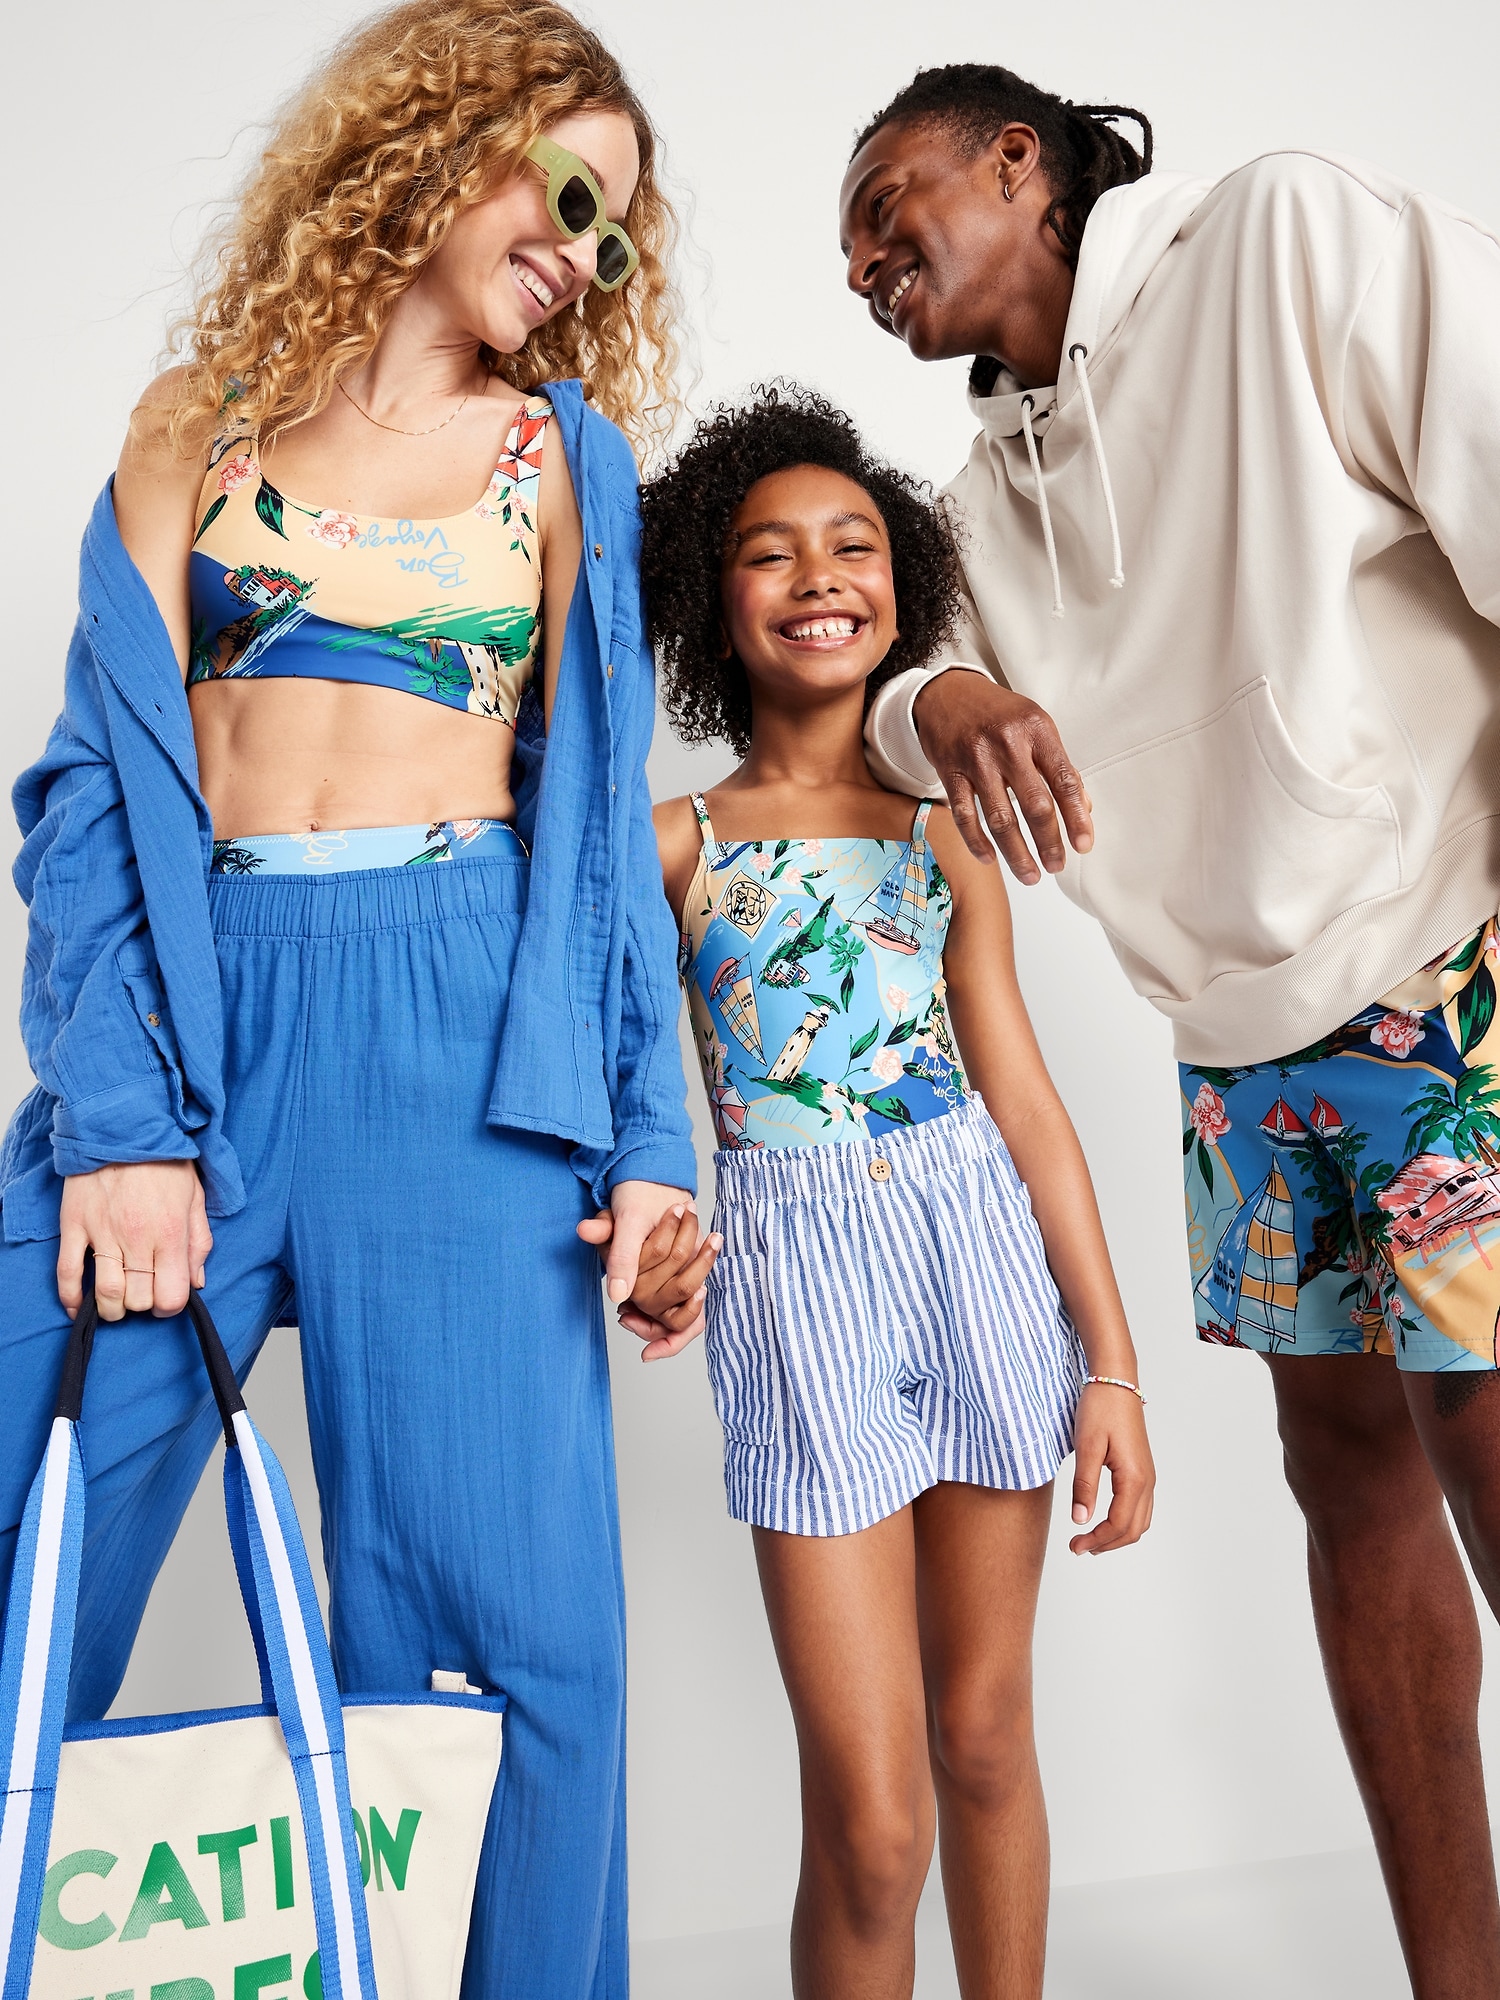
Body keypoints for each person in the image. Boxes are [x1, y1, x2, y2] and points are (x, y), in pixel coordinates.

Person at [0, 3, 703, 1993]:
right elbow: (89, 795)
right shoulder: (194, 424)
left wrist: (651, 1142)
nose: (585, 253)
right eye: (568, 191)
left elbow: (596, 821)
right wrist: (122, 1126)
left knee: (506, 1653)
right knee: (27, 1544)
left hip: (465, 1042)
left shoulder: (561, 460)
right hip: (202, 1032)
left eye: (618, 235)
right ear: (441, 140)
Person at [843, 61, 1500, 1994]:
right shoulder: (981, 504)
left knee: (1488, 1449)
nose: (867, 264)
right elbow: (885, 683)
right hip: (1242, 1049)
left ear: (1019, 159)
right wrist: (943, 702)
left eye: (888, 206)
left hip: (1446, 951)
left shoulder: (1278, 236)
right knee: (1348, 1484)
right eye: (851, 257)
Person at [623, 386, 1154, 2000]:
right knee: (872, 1823)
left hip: (974, 1253)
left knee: (984, 1737)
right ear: (712, 598)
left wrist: (1113, 1365)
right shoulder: (672, 843)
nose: (818, 577)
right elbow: (622, 1089)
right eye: (769, 552)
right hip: (797, 1282)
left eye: (853, 544)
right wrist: (650, 1234)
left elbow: (1027, 1105)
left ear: (902, 584)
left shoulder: (944, 838)